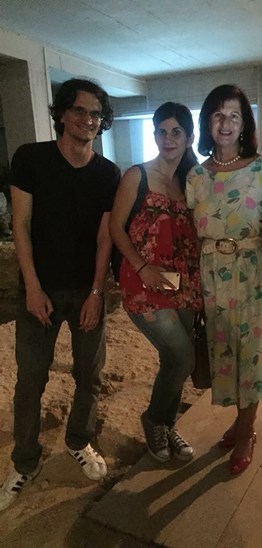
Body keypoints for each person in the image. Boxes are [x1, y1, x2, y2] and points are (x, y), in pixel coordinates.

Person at [0, 79, 121, 512]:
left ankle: (78, 440)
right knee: (31, 379)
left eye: (95, 113)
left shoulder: (107, 174)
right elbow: (20, 225)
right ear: (63, 114)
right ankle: (25, 460)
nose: (88, 120)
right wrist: (32, 287)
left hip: (87, 290)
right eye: (80, 110)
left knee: (90, 374)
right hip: (41, 290)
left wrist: (97, 292)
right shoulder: (30, 159)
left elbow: (105, 237)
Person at [186, 84, 262, 475]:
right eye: (217, 114)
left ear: (245, 123)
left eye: (234, 115)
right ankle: (239, 421)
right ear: (207, 123)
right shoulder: (196, 176)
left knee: (252, 356)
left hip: (255, 274)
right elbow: (194, 236)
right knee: (227, 354)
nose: (225, 123)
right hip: (213, 277)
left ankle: (246, 432)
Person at [109, 102, 202, 463]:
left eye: (176, 132)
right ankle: (153, 419)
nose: (168, 138)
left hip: (183, 282)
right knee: (182, 356)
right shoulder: (137, 176)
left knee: (174, 359)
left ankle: (166, 423)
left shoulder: (191, 180)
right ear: (154, 135)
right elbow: (115, 227)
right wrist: (142, 266)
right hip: (144, 281)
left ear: (189, 137)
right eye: (161, 131)